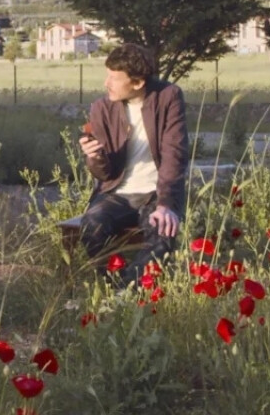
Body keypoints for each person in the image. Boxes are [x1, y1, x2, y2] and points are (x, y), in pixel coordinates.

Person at [78, 43, 189, 287]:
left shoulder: (168, 97)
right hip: (117, 192)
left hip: (156, 192)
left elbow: (174, 154)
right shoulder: (101, 108)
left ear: (137, 83)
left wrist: (166, 204)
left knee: (162, 233)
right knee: (91, 226)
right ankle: (115, 287)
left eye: (114, 78)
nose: (106, 83)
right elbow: (105, 174)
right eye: (107, 75)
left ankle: (128, 291)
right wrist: (94, 156)